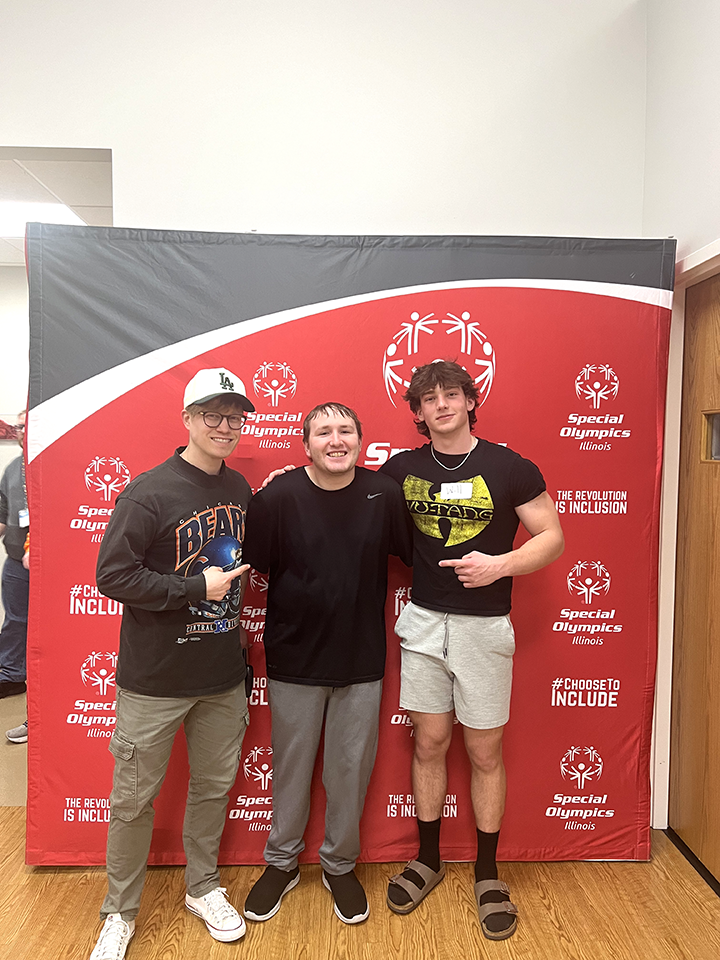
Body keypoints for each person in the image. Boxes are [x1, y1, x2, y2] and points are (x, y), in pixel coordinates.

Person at [380, 360, 564, 940]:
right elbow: (351, 500)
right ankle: (429, 858)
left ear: (468, 400)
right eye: (429, 399)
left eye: (451, 394)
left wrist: (501, 565)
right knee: (430, 742)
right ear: (417, 412)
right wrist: (302, 472)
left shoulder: (510, 467)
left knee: (485, 752)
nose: (441, 405)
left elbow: (553, 536)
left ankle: (487, 872)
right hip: (425, 623)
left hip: (485, 626)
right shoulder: (401, 468)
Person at [88, 368, 254, 960]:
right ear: (186, 418)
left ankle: (203, 886)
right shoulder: (149, 491)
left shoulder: (238, 489)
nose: (224, 426)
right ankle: (119, 912)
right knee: (133, 802)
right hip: (154, 681)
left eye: (234, 416)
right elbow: (111, 575)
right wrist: (192, 589)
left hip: (220, 678)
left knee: (212, 789)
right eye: (212, 414)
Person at [241, 402, 413, 926]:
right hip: (294, 657)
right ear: (306, 443)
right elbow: (261, 565)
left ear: (360, 441)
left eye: (345, 431)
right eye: (323, 432)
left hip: (361, 659)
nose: (335, 440)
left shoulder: (383, 494)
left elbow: (410, 554)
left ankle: (339, 865)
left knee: (349, 770)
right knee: (291, 770)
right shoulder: (277, 496)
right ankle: (281, 862)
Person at [0, 411, 30, 732]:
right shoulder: (12, 467)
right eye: (18, 426)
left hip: (48, 564)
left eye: (26, 424)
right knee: (14, 621)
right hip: (15, 564)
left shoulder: (54, 465)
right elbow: (4, 512)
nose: (20, 431)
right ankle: (10, 676)